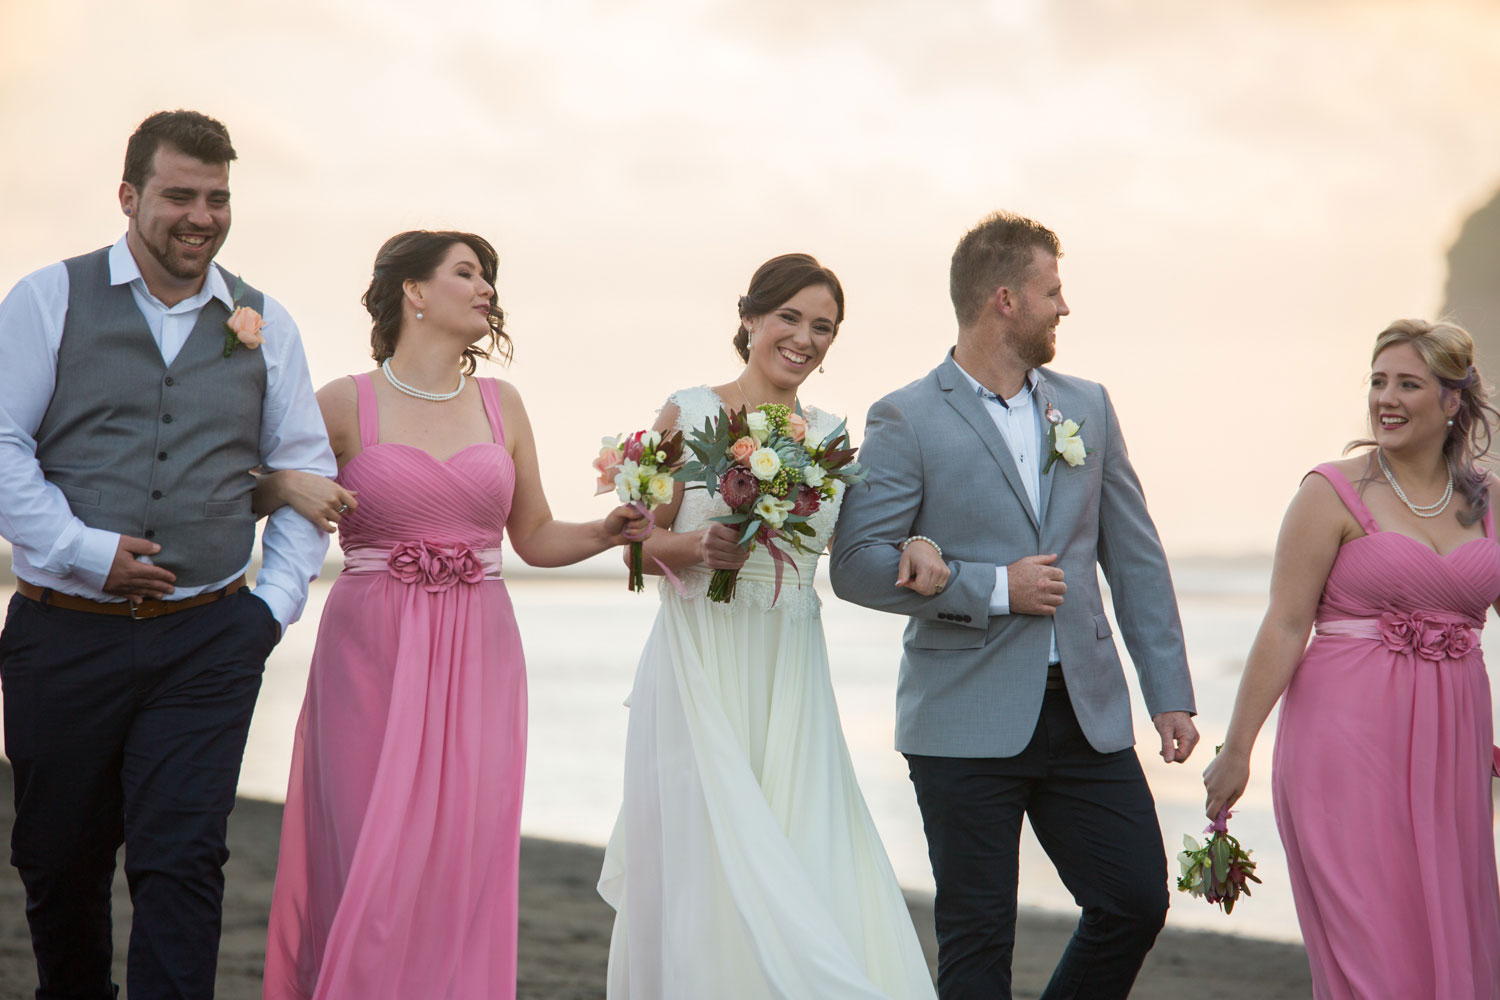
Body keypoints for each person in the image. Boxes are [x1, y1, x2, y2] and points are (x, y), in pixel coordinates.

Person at [259, 230, 650, 1000]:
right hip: (370, 649)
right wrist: (284, 486)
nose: (486, 289)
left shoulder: (503, 406)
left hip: (480, 650)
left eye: (489, 277)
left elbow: (533, 537)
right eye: (467, 273)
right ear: (413, 291)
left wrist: (605, 533)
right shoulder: (344, 402)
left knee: (461, 853)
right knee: (372, 848)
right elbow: (246, 483)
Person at [0, 110, 334, 999]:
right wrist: (83, 550)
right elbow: (1, 445)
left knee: (183, 860)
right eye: (180, 195)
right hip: (62, 634)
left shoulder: (267, 322)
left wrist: (270, 608)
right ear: (129, 196)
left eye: (218, 197)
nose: (202, 216)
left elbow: (307, 471)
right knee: (57, 862)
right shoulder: (48, 297)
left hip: (207, 641)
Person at [829, 211, 1199, 1000]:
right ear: (1005, 299)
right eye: (1051, 290)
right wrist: (995, 588)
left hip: (1087, 716)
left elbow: (1135, 558)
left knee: (1134, 901)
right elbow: (857, 566)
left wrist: (1168, 693)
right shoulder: (906, 417)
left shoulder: (1088, 406)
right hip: (962, 717)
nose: (1064, 307)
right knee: (977, 936)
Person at [597, 253, 939, 998]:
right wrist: (695, 546)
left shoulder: (830, 434)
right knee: (704, 853)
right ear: (749, 317)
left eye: (824, 328)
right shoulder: (688, 412)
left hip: (789, 668)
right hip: (698, 661)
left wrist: (916, 543)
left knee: (802, 846)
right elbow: (636, 537)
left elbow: (858, 550)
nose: (805, 339)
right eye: (790, 317)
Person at [1203, 319, 1500, 999]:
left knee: (1442, 938)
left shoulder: (1488, 502)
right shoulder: (1332, 491)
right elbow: (1283, 626)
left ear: (1452, 401)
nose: (1385, 399)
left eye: (1408, 384)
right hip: (1343, 745)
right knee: (1373, 950)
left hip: (1450, 754)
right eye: (1377, 381)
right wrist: (1239, 749)